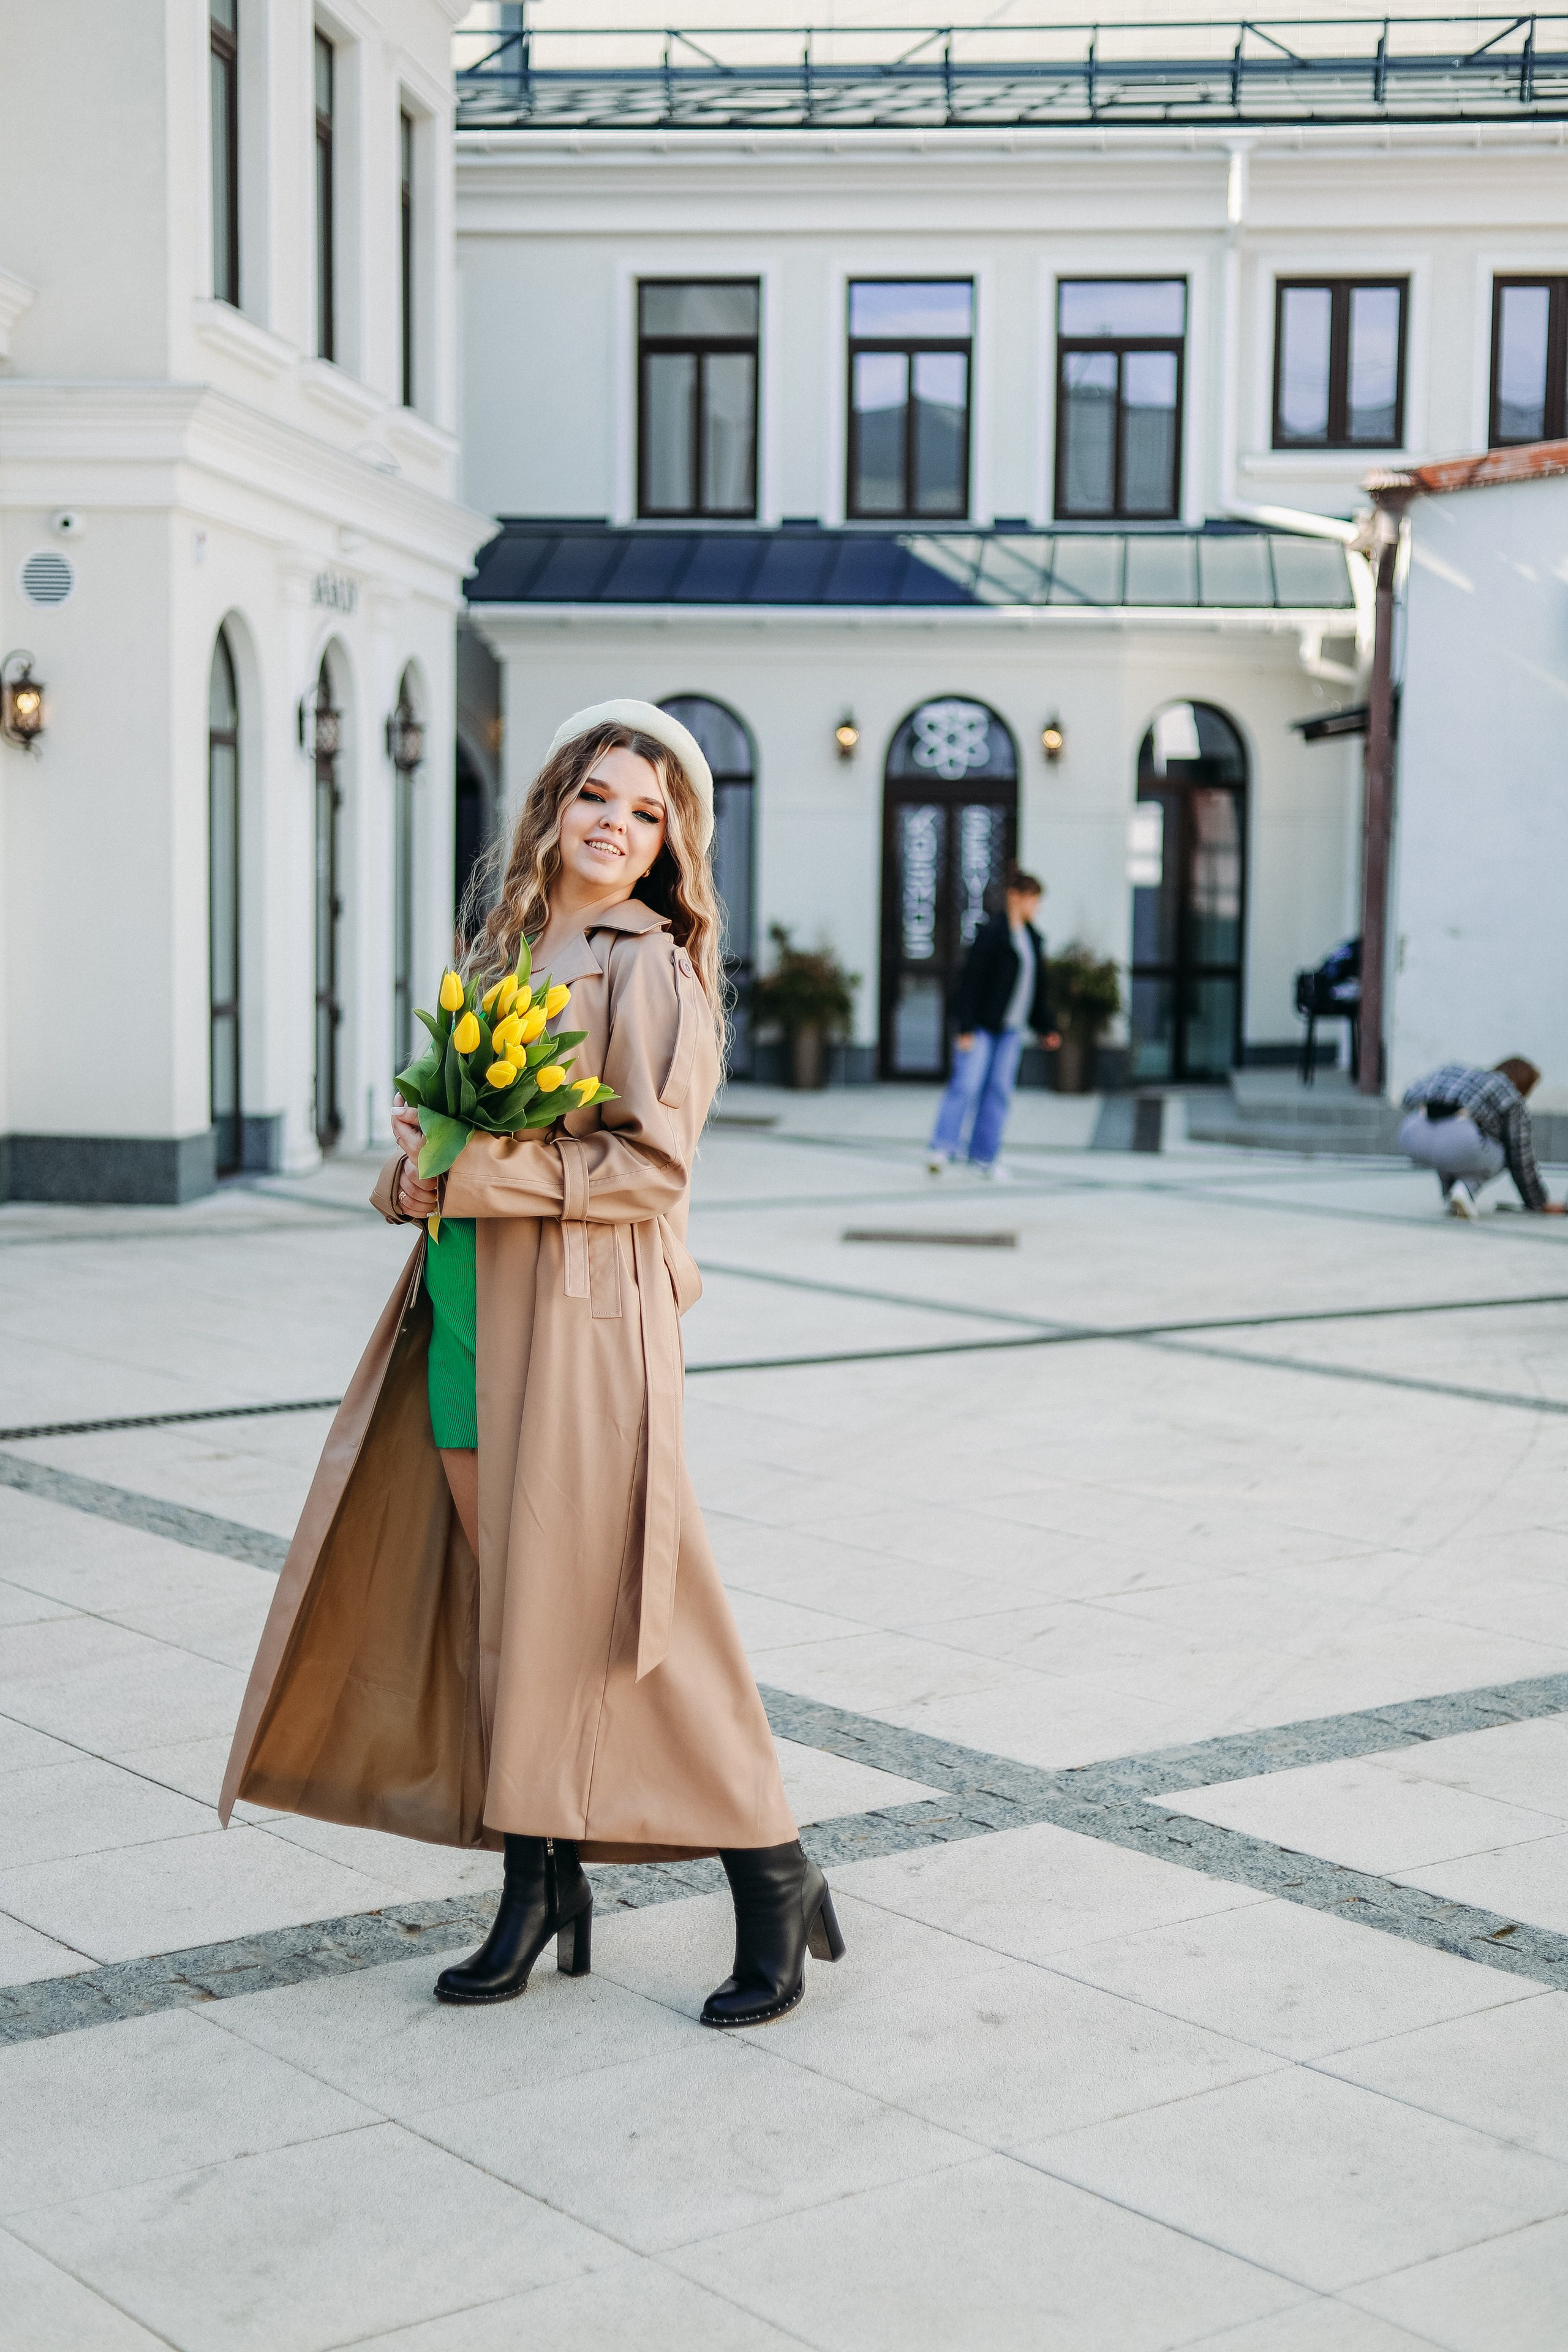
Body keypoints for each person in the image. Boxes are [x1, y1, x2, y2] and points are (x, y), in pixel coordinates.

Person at [220, 699, 844, 2029]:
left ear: (674, 843)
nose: (617, 826)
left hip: (580, 1320)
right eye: (597, 797)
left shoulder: (648, 965)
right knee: (514, 1617)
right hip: (462, 1309)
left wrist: (481, 1162)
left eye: (648, 810)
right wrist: (415, 1165)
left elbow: (649, 1168)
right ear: (553, 805)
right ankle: (539, 1882)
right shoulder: (501, 946)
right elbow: (452, 1145)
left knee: (643, 1609)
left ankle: (769, 1869)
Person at [927, 865, 1058, 1180]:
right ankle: (942, 1148)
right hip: (983, 1028)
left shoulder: (1034, 940)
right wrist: (965, 1028)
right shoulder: (991, 934)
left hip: (1011, 1031)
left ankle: (984, 1156)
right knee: (967, 1085)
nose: (1036, 907)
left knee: (999, 1092)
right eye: (1033, 900)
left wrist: (1046, 1027)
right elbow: (970, 983)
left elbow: (1036, 991)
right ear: (1015, 897)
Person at [1398, 1055, 1562, 1218]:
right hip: (1459, 1141)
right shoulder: (1511, 1097)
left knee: (1455, 1151)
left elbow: (1407, 1096)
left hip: (1413, 1133)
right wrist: (1538, 1202)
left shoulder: (1455, 1071)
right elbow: (1520, 1157)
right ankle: (1465, 1190)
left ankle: (1452, 1196)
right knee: (1503, 1152)